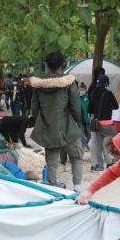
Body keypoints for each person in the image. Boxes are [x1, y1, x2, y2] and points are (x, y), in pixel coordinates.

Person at [28, 52, 84, 191]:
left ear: (48, 65)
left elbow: (34, 108)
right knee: (76, 157)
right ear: (62, 65)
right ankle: (76, 188)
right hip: (68, 127)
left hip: (49, 128)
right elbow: (76, 107)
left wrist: (40, 123)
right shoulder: (69, 83)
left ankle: (53, 187)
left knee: (52, 162)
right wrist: (80, 123)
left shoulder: (38, 85)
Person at [88, 75, 119, 172]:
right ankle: (115, 161)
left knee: (99, 145)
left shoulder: (93, 93)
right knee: (118, 139)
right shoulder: (109, 93)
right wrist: (108, 108)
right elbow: (116, 106)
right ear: (106, 83)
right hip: (107, 123)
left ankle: (100, 166)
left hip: (97, 124)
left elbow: (90, 109)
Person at [79, 82, 91, 151]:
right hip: (80, 119)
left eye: (83, 90)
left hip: (87, 119)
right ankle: (83, 145)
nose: (81, 91)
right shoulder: (77, 98)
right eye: (80, 90)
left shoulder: (88, 97)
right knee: (81, 133)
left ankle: (86, 144)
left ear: (86, 90)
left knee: (89, 134)